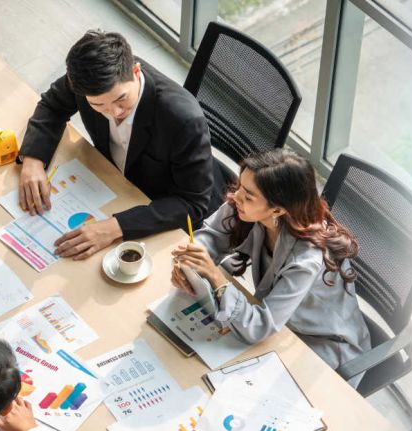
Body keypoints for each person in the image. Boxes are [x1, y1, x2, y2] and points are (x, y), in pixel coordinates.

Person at [18, 30, 226, 259]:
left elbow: (192, 203)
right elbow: (52, 105)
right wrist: (33, 160)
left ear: (136, 72)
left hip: (173, 209)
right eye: (99, 105)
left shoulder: (184, 119)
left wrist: (115, 227)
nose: (114, 113)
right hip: (117, 183)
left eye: (121, 99)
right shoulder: (88, 80)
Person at [170, 149, 370, 387]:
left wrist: (215, 276)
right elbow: (211, 237)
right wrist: (190, 262)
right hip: (277, 323)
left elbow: (260, 325)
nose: (236, 198)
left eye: (248, 196)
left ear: (277, 210)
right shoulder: (246, 206)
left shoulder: (307, 258)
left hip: (318, 345)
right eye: (240, 188)